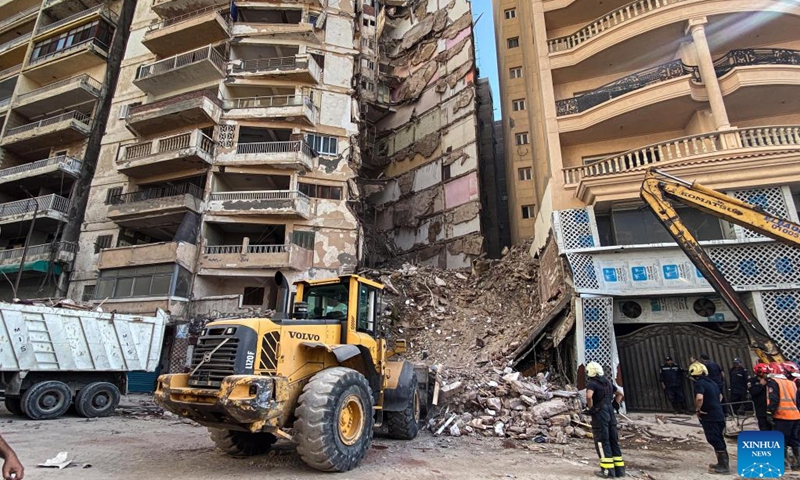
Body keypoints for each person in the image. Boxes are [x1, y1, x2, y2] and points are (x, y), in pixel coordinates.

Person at [584, 362, 625, 478]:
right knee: (613, 441)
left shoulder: (592, 384)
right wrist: (616, 404)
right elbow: (620, 394)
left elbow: (589, 396)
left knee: (602, 442)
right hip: (611, 413)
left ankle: (607, 471)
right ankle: (619, 470)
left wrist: (591, 408)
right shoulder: (608, 383)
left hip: (600, 415)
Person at [689, 361, 729, 474]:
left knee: (714, 439)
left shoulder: (700, 384)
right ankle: (721, 463)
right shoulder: (712, 383)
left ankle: (724, 466)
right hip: (719, 415)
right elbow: (720, 396)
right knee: (719, 438)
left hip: (710, 416)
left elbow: (699, 398)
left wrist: (698, 409)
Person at [766, 363, 800, 471]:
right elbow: (796, 400)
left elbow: (774, 399)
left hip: (782, 416)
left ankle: (784, 464)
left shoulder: (773, 382)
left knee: (781, 440)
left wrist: (769, 412)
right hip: (795, 415)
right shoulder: (791, 383)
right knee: (795, 440)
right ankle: (798, 463)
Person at [749, 363, 773, 431]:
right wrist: (760, 385)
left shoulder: (770, 381)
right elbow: (753, 392)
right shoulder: (752, 381)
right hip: (761, 411)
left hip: (771, 409)